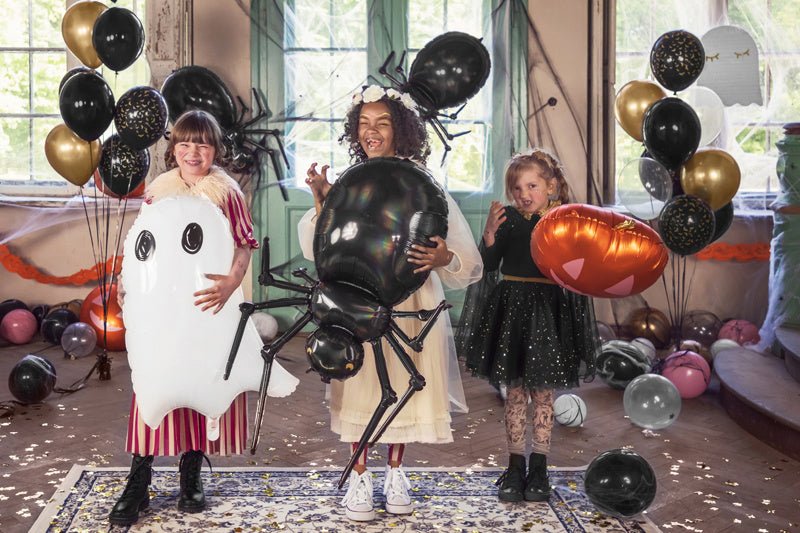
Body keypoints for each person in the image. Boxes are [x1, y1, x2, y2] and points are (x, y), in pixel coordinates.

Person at [300, 85, 483, 521]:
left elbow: (465, 261)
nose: (372, 131)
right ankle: (360, 475)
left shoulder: (421, 184)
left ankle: (396, 472)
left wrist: (442, 258)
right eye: (364, 123)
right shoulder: (352, 181)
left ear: (400, 129)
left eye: (382, 122)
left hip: (410, 301)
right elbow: (316, 248)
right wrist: (323, 200)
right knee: (359, 382)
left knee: (403, 384)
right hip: (355, 303)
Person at [109, 110, 298, 525]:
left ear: (215, 149)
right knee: (154, 384)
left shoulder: (225, 193)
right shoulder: (159, 193)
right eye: (185, 143)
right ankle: (138, 479)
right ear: (173, 148)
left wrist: (231, 282)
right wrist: (128, 283)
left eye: (202, 144)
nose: (193, 152)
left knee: (202, 380)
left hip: (206, 302)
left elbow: (244, 244)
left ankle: (191, 471)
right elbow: (143, 244)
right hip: (163, 306)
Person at [458, 149, 597, 503]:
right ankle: (516, 465)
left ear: (550, 186)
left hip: (547, 314)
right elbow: (489, 265)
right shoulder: (509, 220)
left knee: (543, 395)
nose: (524, 194)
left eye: (532, 186)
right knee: (516, 393)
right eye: (517, 188)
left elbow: (576, 266)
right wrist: (490, 235)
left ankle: (539, 467)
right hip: (513, 312)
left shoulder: (562, 221)